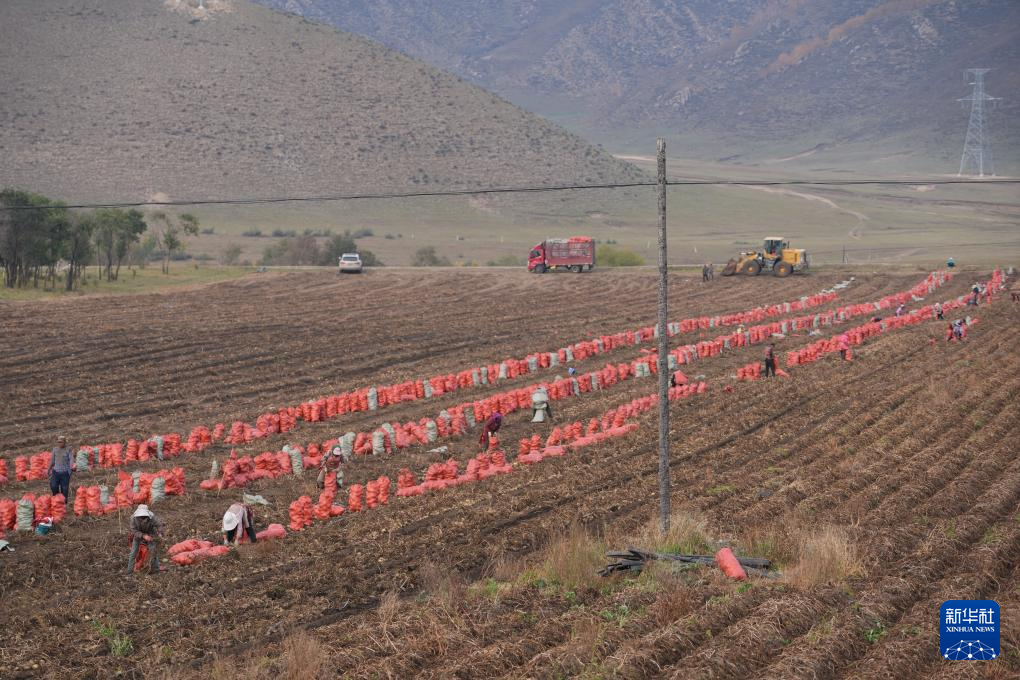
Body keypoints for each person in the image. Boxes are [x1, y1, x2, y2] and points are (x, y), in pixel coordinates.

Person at [127, 504, 162, 575]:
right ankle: (129, 571)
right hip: (138, 535)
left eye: (144, 516)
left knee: (153, 551)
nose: (142, 517)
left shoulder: (152, 517)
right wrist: (143, 536)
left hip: (150, 533)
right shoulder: (133, 518)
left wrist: (160, 532)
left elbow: (159, 525)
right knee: (133, 553)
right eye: (141, 516)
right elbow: (134, 530)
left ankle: (156, 569)